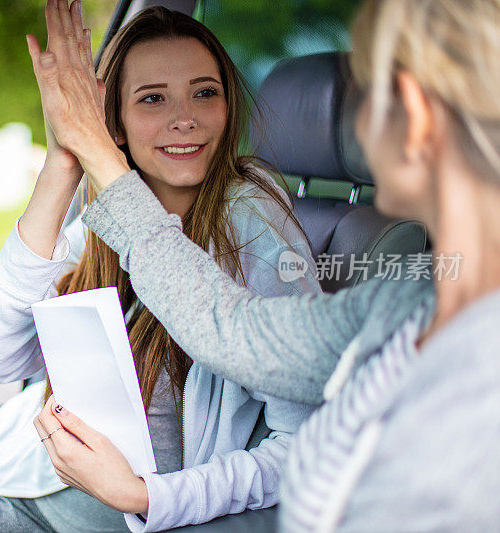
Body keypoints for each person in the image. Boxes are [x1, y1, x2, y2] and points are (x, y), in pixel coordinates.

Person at [31, 0, 500, 531]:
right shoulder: (400, 300)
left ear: (416, 117)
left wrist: (148, 497)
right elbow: (232, 330)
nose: (355, 123)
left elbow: (232, 336)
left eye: (370, 97)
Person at [0, 3, 321, 532]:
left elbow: (306, 441)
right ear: (116, 125)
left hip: (70, 516)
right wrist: (63, 160)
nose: (185, 117)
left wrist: (143, 495)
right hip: (24, 451)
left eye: (205, 92)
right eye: (152, 98)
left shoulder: (251, 220)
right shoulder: (114, 214)